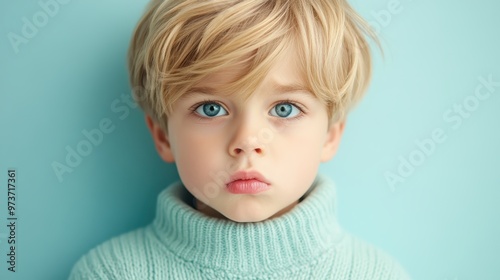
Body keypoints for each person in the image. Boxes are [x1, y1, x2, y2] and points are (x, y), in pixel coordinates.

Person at [69, 0, 411, 278]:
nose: (247, 141)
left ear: (331, 134)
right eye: (212, 109)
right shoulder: (110, 273)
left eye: (285, 109)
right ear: (163, 135)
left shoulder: (375, 274)